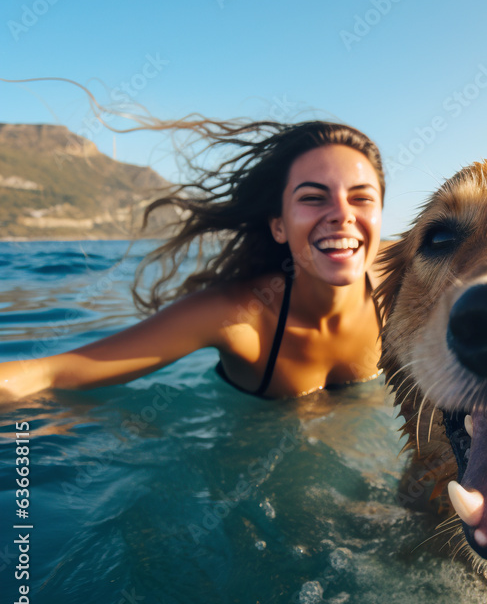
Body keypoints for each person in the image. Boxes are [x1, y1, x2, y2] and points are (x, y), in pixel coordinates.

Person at [0, 120, 390, 402]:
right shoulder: (241, 317)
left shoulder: (412, 278)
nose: (342, 214)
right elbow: (50, 373)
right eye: (312, 197)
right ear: (279, 227)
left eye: (361, 197)